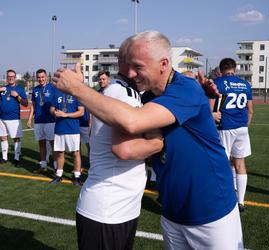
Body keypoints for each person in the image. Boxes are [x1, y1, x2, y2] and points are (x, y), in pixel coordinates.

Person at [53, 31, 243, 250]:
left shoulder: (186, 89)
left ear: (163, 63)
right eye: (128, 65)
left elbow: (133, 122)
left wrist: (76, 89)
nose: (131, 73)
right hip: (172, 210)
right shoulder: (146, 95)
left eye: (139, 66)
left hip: (211, 209)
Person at [75, 37, 164, 250]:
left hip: (117, 207)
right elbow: (124, 150)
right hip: (108, 209)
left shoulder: (123, 90)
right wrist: (161, 142)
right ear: (129, 63)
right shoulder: (124, 93)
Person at [211, 58, 254, 212]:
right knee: (240, 163)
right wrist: (244, 126)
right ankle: (241, 201)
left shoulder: (218, 83)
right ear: (235, 69)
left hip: (225, 127)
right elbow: (250, 110)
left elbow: (211, 108)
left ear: (221, 70)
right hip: (242, 127)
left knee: (222, 161)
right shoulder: (245, 84)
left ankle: (225, 198)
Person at [49, 89, 84, 186]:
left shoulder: (77, 93)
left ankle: (77, 177)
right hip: (59, 128)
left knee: (75, 153)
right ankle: (59, 175)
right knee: (60, 153)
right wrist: (54, 112)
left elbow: (81, 112)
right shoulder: (57, 93)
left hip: (73, 129)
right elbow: (51, 108)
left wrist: (65, 115)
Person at [27, 69, 57, 172]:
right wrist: (30, 119)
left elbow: (57, 103)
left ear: (46, 77)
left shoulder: (52, 88)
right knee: (41, 143)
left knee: (53, 144)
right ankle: (43, 165)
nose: (41, 79)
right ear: (36, 78)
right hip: (38, 121)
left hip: (50, 121)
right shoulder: (35, 89)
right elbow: (33, 106)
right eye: (39, 77)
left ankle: (56, 166)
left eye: (42, 77)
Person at [0, 69, 28, 166]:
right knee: (3, 137)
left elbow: (25, 103)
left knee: (16, 138)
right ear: (6, 77)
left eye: (12, 76)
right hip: (2, 118)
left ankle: (16, 158)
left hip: (14, 119)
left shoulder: (20, 89)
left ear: (15, 78)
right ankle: (4, 157)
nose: (10, 78)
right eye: (9, 76)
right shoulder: (3, 88)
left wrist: (17, 96)